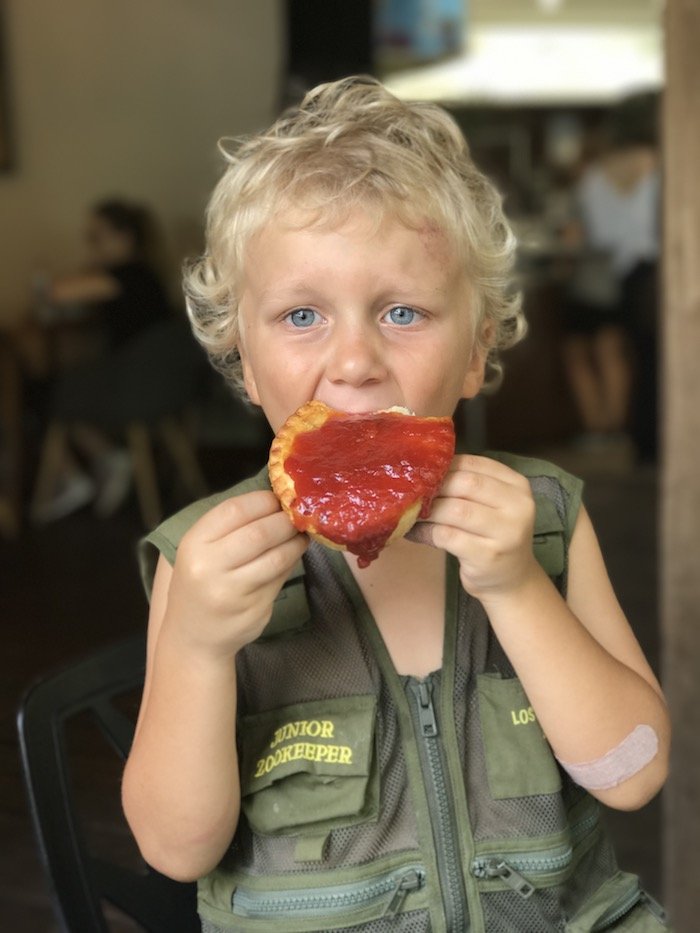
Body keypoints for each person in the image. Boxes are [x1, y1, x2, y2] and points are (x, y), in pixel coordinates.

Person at [122, 78, 671, 932]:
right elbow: (175, 847)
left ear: (474, 349)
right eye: (302, 314)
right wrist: (196, 644)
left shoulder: (545, 516)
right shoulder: (203, 560)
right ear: (244, 360)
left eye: (403, 311)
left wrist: (519, 585)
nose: (354, 361)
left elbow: (633, 772)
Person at [30, 199, 172, 522]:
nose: (91, 244)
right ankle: (105, 460)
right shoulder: (146, 275)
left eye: (96, 236)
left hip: (134, 386)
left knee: (44, 391)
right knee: (62, 385)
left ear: (124, 237)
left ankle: (90, 468)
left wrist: (52, 279)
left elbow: (52, 293)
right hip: (162, 385)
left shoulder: (124, 274)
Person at [561, 93, 660, 460]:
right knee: (637, 357)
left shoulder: (594, 175)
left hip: (603, 275)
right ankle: (632, 433)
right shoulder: (660, 165)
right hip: (649, 273)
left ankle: (610, 430)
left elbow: (588, 233)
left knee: (594, 352)